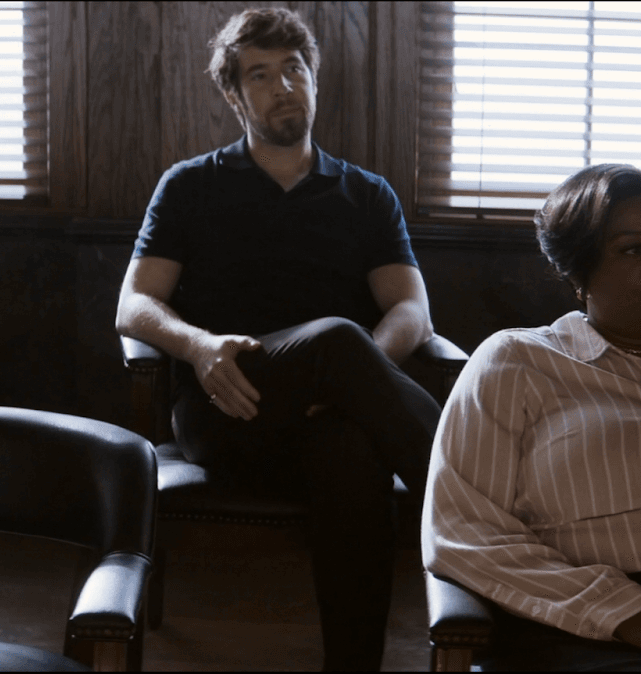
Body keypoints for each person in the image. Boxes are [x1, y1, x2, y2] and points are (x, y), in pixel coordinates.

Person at [113, 8, 440, 670]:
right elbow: (133, 305)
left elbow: (412, 311)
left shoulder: (366, 194)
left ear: (315, 80)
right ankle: (479, 509)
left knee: (352, 450)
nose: (283, 86)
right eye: (260, 75)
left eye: (294, 69)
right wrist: (198, 346)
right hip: (226, 405)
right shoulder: (190, 185)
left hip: (331, 414)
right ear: (234, 96)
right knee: (340, 339)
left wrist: (352, 380)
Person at [424, 165, 641, 672]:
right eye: (633, 250)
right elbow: (462, 529)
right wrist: (628, 613)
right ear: (579, 274)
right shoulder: (517, 361)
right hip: (591, 629)